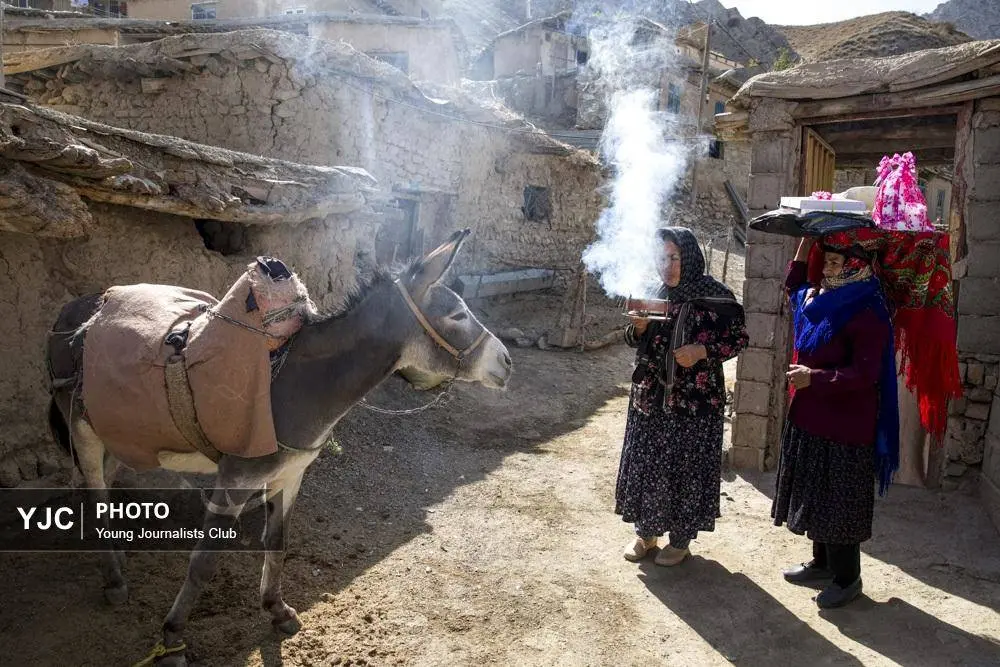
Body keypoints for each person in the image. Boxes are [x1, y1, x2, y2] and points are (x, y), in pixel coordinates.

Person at [772, 237, 898, 609]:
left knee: (838, 502)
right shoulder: (816, 299)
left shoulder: (867, 311)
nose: (827, 270)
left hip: (845, 425)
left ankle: (848, 578)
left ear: (855, 266)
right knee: (816, 494)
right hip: (811, 417)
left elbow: (864, 373)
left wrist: (816, 378)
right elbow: (792, 285)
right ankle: (823, 564)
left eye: (835, 262)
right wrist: (804, 241)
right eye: (824, 262)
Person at [617, 227, 748, 566]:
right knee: (649, 465)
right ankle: (646, 534)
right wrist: (639, 328)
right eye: (662, 257)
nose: (667, 265)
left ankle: (680, 539)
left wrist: (701, 350)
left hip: (694, 403)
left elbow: (737, 339)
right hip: (651, 399)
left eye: (674, 257)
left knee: (684, 468)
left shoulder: (715, 296)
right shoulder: (653, 294)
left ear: (688, 257)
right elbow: (633, 338)